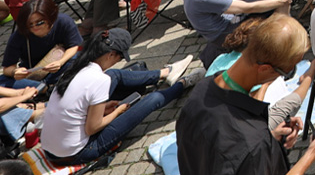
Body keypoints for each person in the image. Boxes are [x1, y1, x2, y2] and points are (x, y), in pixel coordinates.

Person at [176, 14, 315, 175]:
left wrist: (272, 139)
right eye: (288, 71)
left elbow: (216, 156)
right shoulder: (252, 144)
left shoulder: (201, 91)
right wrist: (311, 154)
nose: (287, 75)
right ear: (265, 69)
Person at [40, 28, 198, 166]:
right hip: (77, 153)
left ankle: (164, 73)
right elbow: (92, 128)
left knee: (114, 74)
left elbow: (77, 107)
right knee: (152, 100)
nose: (118, 61)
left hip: (51, 149)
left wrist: (103, 109)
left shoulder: (74, 69)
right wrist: (117, 112)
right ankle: (184, 83)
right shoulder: (99, 79)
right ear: (110, 54)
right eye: (119, 58)